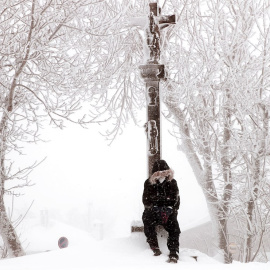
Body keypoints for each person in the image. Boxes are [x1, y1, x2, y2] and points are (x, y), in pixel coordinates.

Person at [142, 160, 181, 262]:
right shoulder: (148, 183)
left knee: (174, 228)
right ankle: (154, 246)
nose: (163, 176)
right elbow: (146, 200)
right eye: (160, 174)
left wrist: (169, 209)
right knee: (147, 219)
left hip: (168, 212)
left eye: (165, 173)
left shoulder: (172, 182)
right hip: (153, 212)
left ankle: (174, 251)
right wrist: (155, 207)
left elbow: (176, 200)